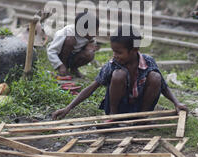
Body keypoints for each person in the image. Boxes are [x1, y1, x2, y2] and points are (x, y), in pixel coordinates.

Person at [52, 25, 188, 120]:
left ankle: (142, 117)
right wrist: (68, 108)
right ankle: (113, 116)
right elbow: (91, 88)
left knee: (155, 77)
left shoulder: (148, 62)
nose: (115, 55)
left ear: (134, 50)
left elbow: (163, 87)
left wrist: (177, 103)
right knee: (118, 75)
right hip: (120, 107)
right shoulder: (112, 64)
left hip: (139, 106)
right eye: (113, 51)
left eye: (119, 52)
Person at [47, 12, 100, 78]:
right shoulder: (64, 33)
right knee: (70, 40)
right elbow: (51, 51)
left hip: (74, 57)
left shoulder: (89, 37)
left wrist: (89, 48)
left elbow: (91, 46)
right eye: (94, 32)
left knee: (90, 53)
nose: (95, 34)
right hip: (60, 57)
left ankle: (73, 69)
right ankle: (63, 68)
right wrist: (59, 65)